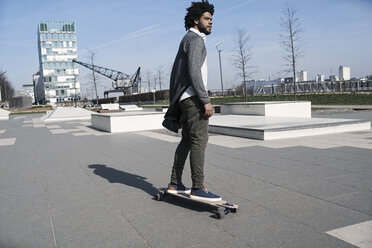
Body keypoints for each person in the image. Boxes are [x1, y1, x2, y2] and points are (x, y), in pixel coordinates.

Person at [162, 0, 221, 201]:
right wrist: (205, 100)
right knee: (199, 140)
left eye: (212, 18)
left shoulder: (186, 39)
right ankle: (198, 186)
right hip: (194, 99)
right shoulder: (195, 40)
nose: (210, 22)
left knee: (187, 140)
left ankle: (175, 182)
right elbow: (194, 71)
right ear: (196, 20)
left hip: (184, 100)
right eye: (207, 18)